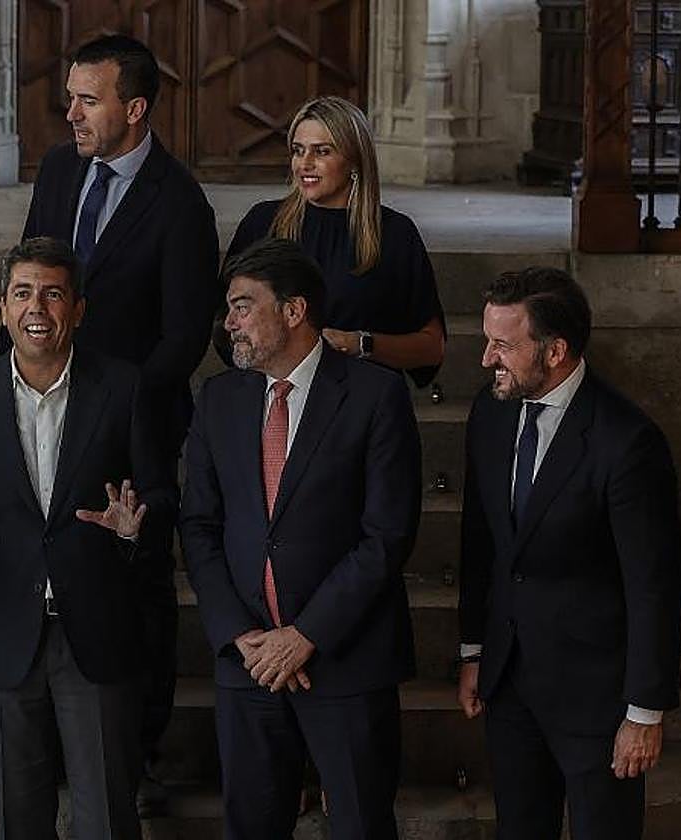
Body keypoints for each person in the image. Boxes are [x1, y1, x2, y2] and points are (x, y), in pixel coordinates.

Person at [0, 32, 220, 814]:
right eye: (72, 96)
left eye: (89, 99)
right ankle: (26, 757)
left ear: (135, 108)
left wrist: (111, 400)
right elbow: (33, 268)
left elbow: (185, 333)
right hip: (36, 403)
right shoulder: (57, 168)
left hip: (131, 424)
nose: (71, 112)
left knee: (131, 585)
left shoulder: (181, 203)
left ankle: (133, 754)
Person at [0, 237, 174, 840]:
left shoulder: (124, 388)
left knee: (106, 815)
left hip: (99, 631)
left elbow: (161, 496)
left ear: (78, 309)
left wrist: (136, 528)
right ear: (2, 307)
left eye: (54, 294)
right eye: (24, 293)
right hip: (5, 636)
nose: (39, 307)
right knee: (17, 819)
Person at [181, 238, 421, 840]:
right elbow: (200, 527)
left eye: (242, 306)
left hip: (346, 660)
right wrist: (241, 635)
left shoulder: (376, 396)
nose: (228, 323)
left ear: (293, 311)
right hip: (249, 665)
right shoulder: (219, 400)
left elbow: (386, 536)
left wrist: (307, 635)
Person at [456, 267, 681, 840]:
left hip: (598, 700)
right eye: (488, 340)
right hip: (509, 683)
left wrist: (644, 711)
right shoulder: (490, 413)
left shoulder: (627, 441)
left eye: (503, 345)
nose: (488, 359)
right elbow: (480, 541)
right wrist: (473, 650)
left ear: (555, 350)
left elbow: (654, 585)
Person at [221, 96, 444, 386]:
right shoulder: (262, 222)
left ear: (354, 159)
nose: (305, 164)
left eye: (322, 151)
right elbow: (223, 325)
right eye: (298, 151)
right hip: (275, 392)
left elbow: (431, 348)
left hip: (362, 395)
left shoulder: (394, 233)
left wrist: (359, 344)